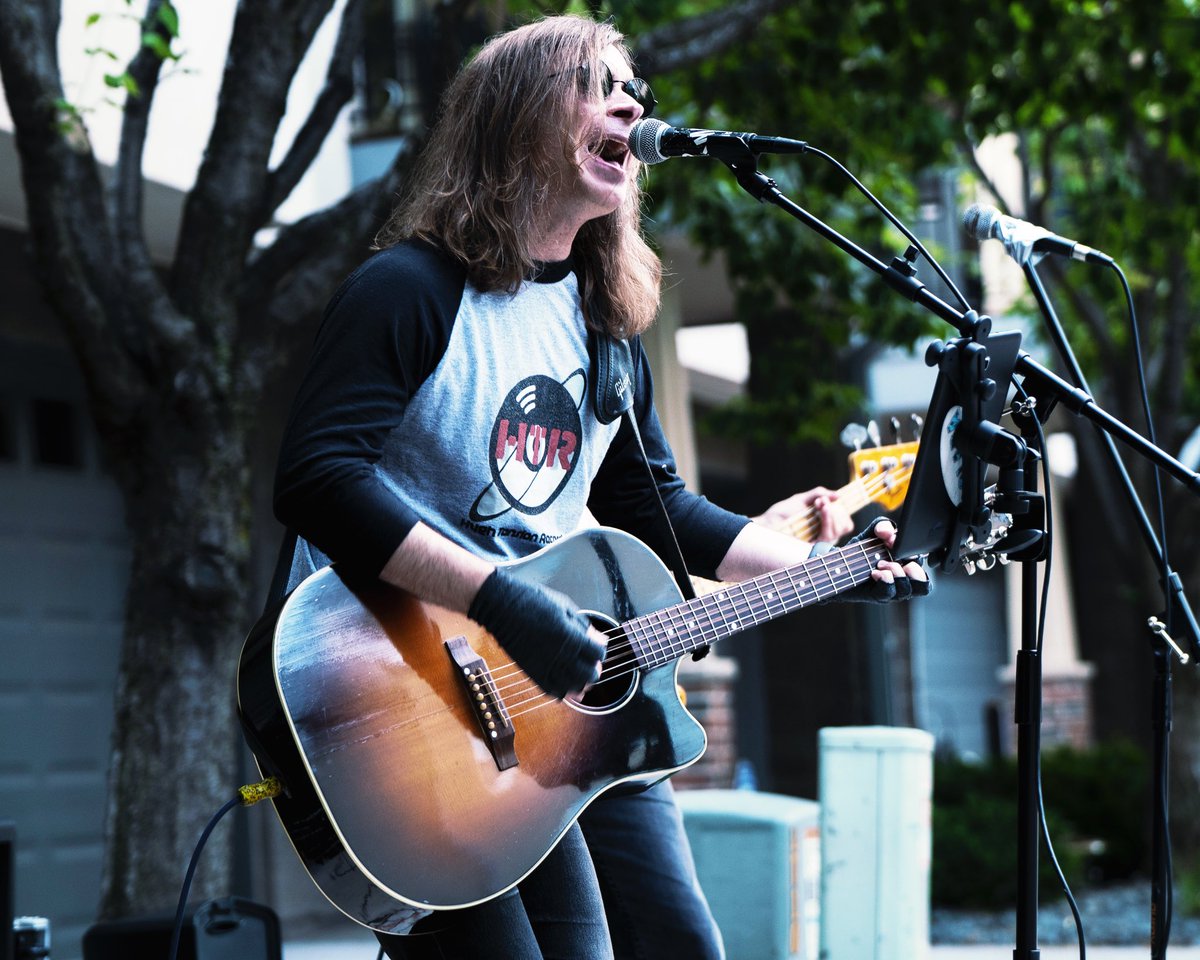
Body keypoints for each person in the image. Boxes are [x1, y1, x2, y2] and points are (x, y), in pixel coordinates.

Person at [272, 13, 928, 960]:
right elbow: (315, 479)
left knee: (681, 944)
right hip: (416, 702)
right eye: (595, 82)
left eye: (634, 90)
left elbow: (660, 513)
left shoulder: (603, 328)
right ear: (514, 118)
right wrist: (504, 602)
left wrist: (827, 569)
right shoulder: (408, 293)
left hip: (575, 705)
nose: (631, 102)